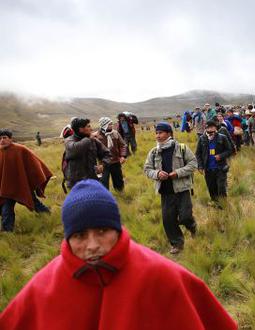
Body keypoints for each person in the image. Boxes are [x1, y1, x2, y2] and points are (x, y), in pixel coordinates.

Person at [0, 179, 238, 329]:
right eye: (80, 235)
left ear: (116, 229)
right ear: (67, 237)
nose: (92, 245)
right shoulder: (43, 288)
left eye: (102, 231)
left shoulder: (161, 275)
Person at [143, 122, 197, 254]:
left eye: (160, 133)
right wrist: (157, 174)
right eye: (156, 133)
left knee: (185, 216)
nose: (158, 136)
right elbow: (147, 169)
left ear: (168, 133)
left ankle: (192, 226)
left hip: (182, 189)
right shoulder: (154, 152)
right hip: (165, 191)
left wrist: (178, 173)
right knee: (168, 220)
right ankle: (177, 244)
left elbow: (193, 163)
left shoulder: (182, 148)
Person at [0, 129, 52, 232]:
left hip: (21, 185)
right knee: (6, 209)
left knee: (35, 203)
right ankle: (7, 231)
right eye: (0, 138)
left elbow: (34, 163)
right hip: (6, 188)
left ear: (11, 139)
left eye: (4, 138)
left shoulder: (21, 149)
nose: (2, 140)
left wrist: (38, 177)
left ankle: (47, 215)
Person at [64, 118, 111, 189]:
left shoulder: (93, 140)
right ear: (81, 129)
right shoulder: (69, 140)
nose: (91, 129)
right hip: (76, 182)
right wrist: (89, 139)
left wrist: (102, 164)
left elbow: (107, 153)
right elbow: (75, 150)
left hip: (93, 178)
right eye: (88, 126)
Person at [195, 120, 234, 204]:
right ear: (206, 128)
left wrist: (221, 156)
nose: (210, 129)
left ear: (215, 128)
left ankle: (224, 205)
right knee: (211, 188)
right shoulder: (202, 139)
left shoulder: (222, 137)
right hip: (208, 169)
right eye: (208, 127)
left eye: (212, 127)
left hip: (220, 168)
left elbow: (230, 150)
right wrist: (200, 166)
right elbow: (198, 153)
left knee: (221, 188)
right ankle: (215, 204)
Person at [95, 117, 127, 191]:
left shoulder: (115, 133)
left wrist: (123, 156)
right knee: (103, 181)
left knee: (118, 180)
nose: (111, 126)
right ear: (104, 125)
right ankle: (105, 197)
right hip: (103, 164)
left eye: (111, 124)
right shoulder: (96, 136)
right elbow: (93, 151)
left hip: (115, 161)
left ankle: (120, 193)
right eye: (109, 124)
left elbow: (123, 145)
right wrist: (97, 164)